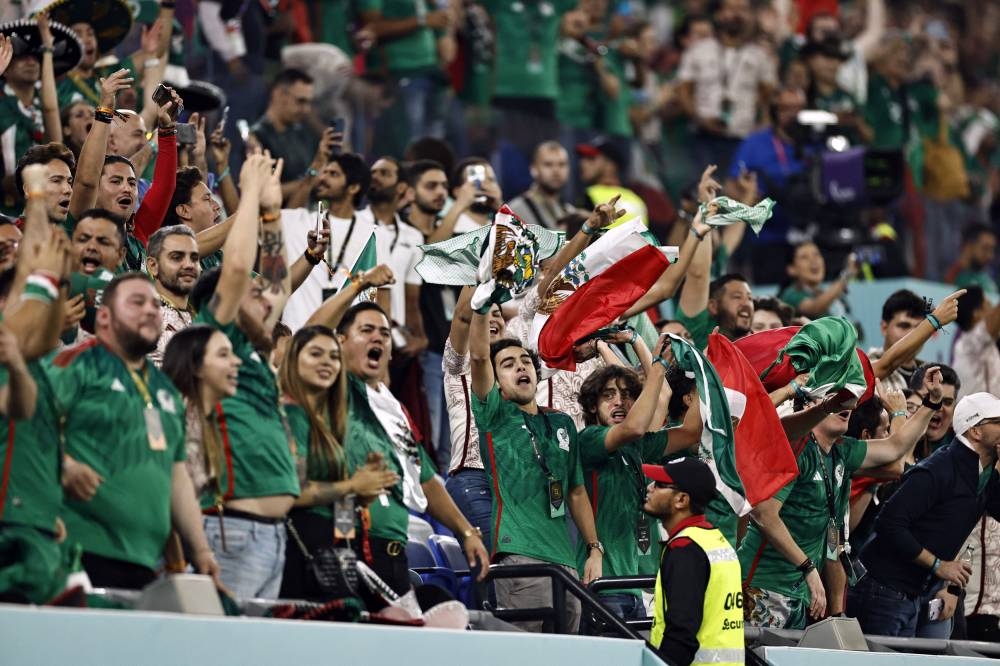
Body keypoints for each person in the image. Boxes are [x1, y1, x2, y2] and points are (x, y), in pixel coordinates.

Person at [52, 273, 220, 590]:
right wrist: (64, 464)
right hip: (78, 552)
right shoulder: (75, 365)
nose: (150, 311)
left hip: (147, 562)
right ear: (103, 317)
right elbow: (26, 426)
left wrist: (199, 551)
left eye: (156, 305)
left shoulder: (164, 389)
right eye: (137, 302)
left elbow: (175, 473)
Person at [313, 296, 489, 596]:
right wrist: (359, 285)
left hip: (393, 553)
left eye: (384, 333)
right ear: (339, 343)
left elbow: (426, 481)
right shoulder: (333, 390)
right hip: (346, 546)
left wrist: (466, 531)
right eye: (366, 330)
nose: (378, 338)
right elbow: (312, 337)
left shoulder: (395, 410)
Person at [741, 370, 943, 630]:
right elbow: (763, 514)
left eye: (849, 398)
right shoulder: (795, 447)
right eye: (835, 397)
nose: (846, 403)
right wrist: (807, 567)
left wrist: (931, 403)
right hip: (762, 586)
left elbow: (895, 449)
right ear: (810, 405)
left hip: (800, 594)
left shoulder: (842, 452)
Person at [187, 153, 299, 599]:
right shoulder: (212, 337)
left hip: (269, 532)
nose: (265, 297)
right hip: (232, 529)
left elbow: (279, 285)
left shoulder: (249, 353)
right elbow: (234, 270)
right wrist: (250, 193)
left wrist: (272, 214)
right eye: (250, 295)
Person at [469, 304, 603, 633]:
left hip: (565, 558)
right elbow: (477, 357)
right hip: (519, 554)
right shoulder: (494, 415)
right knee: (526, 654)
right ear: (496, 383)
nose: (520, 368)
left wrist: (593, 548)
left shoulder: (560, 423)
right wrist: (483, 304)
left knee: (565, 654)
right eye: (508, 364)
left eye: (525, 361)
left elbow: (575, 491)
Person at [849, 392, 1000, 638]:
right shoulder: (937, 470)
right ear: (976, 431)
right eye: (998, 421)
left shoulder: (983, 473)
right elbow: (889, 524)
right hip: (884, 590)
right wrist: (938, 566)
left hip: (912, 594)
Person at [576, 353, 703, 623]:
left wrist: (701, 377)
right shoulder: (589, 439)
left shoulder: (637, 447)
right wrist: (659, 366)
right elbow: (633, 427)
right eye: (608, 395)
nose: (619, 401)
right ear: (591, 407)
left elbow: (692, 431)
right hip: (602, 583)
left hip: (634, 586)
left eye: (626, 395)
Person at [277, 325, 399, 600]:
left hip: (336, 549)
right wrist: (352, 485)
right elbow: (292, 492)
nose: (327, 362)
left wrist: (361, 495)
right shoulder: (292, 414)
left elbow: (342, 497)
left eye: (333, 356)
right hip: (300, 547)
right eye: (315, 354)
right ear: (294, 360)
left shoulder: (331, 421)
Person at [643, 458, 745, 666]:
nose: (650, 487)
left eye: (660, 484)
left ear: (681, 500)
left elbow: (681, 634)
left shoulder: (685, 549)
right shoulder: (716, 541)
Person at [279, 151, 390, 332]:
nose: (323, 178)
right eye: (324, 172)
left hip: (345, 341)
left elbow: (382, 295)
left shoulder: (375, 234)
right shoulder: (297, 220)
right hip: (296, 334)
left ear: (353, 187)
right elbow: (242, 213)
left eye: (333, 174)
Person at [677, 0, 777, 173]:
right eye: (731, 9)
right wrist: (698, 118)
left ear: (751, 16)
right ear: (719, 14)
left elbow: (769, 96)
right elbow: (684, 91)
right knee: (706, 191)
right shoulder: (699, 50)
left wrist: (763, 125)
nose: (737, 15)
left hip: (742, 137)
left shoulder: (759, 56)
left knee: (737, 194)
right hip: (703, 137)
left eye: (743, 9)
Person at [442, 286, 507, 551]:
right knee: (498, 564)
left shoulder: (512, 372)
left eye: (499, 314)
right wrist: (479, 271)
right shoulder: (459, 364)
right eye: (486, 313)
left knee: (509, 576)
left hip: (508, 483)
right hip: (472, 476)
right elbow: (462, 317)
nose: (494, 319)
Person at [145, 225, 200, 366]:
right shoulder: (144, 319)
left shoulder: (198, 318)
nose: (189, 265)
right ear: (153, 266)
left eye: (194, 258)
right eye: (177, 257)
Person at [576, 138, 647, 228]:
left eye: (591, 158)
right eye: (583, 158)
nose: (583, 164)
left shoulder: (590, 195)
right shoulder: (637, 200)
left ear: (611, 165)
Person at [778, 241, 857, 319]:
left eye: (816, 255)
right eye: (804, 257)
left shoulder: (825, 292)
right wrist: (847, 274)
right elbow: (815, 308)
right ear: (792, 269)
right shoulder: (790, 295)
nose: (813, 261)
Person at [507, 141, 577, 230]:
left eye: (561, 164)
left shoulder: (571, 212)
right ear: (533, 169)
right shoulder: (515, 211)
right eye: (548, 164)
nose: (556, 171)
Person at [945, 222, 998, 298]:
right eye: (985, 248)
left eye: (992, 250)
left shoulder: (987, 279)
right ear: (968, 246)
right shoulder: (950, 275)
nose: (990, 256)